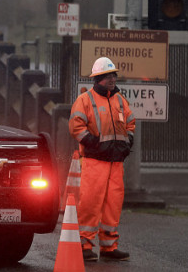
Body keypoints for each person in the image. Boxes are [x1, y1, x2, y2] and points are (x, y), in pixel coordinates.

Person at [69, 57, 135, 262]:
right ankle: (85, 245)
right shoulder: (85, 100)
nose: (112, 79)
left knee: (112, 204)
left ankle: (109, 246)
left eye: (113, 75)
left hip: (115, 162)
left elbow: (131, 123)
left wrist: (128, 142)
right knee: (90, 203)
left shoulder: (120, 100)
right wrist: (94, 143)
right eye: (108, 76)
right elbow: (76, 126)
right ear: (98, 79)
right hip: (95, 161)